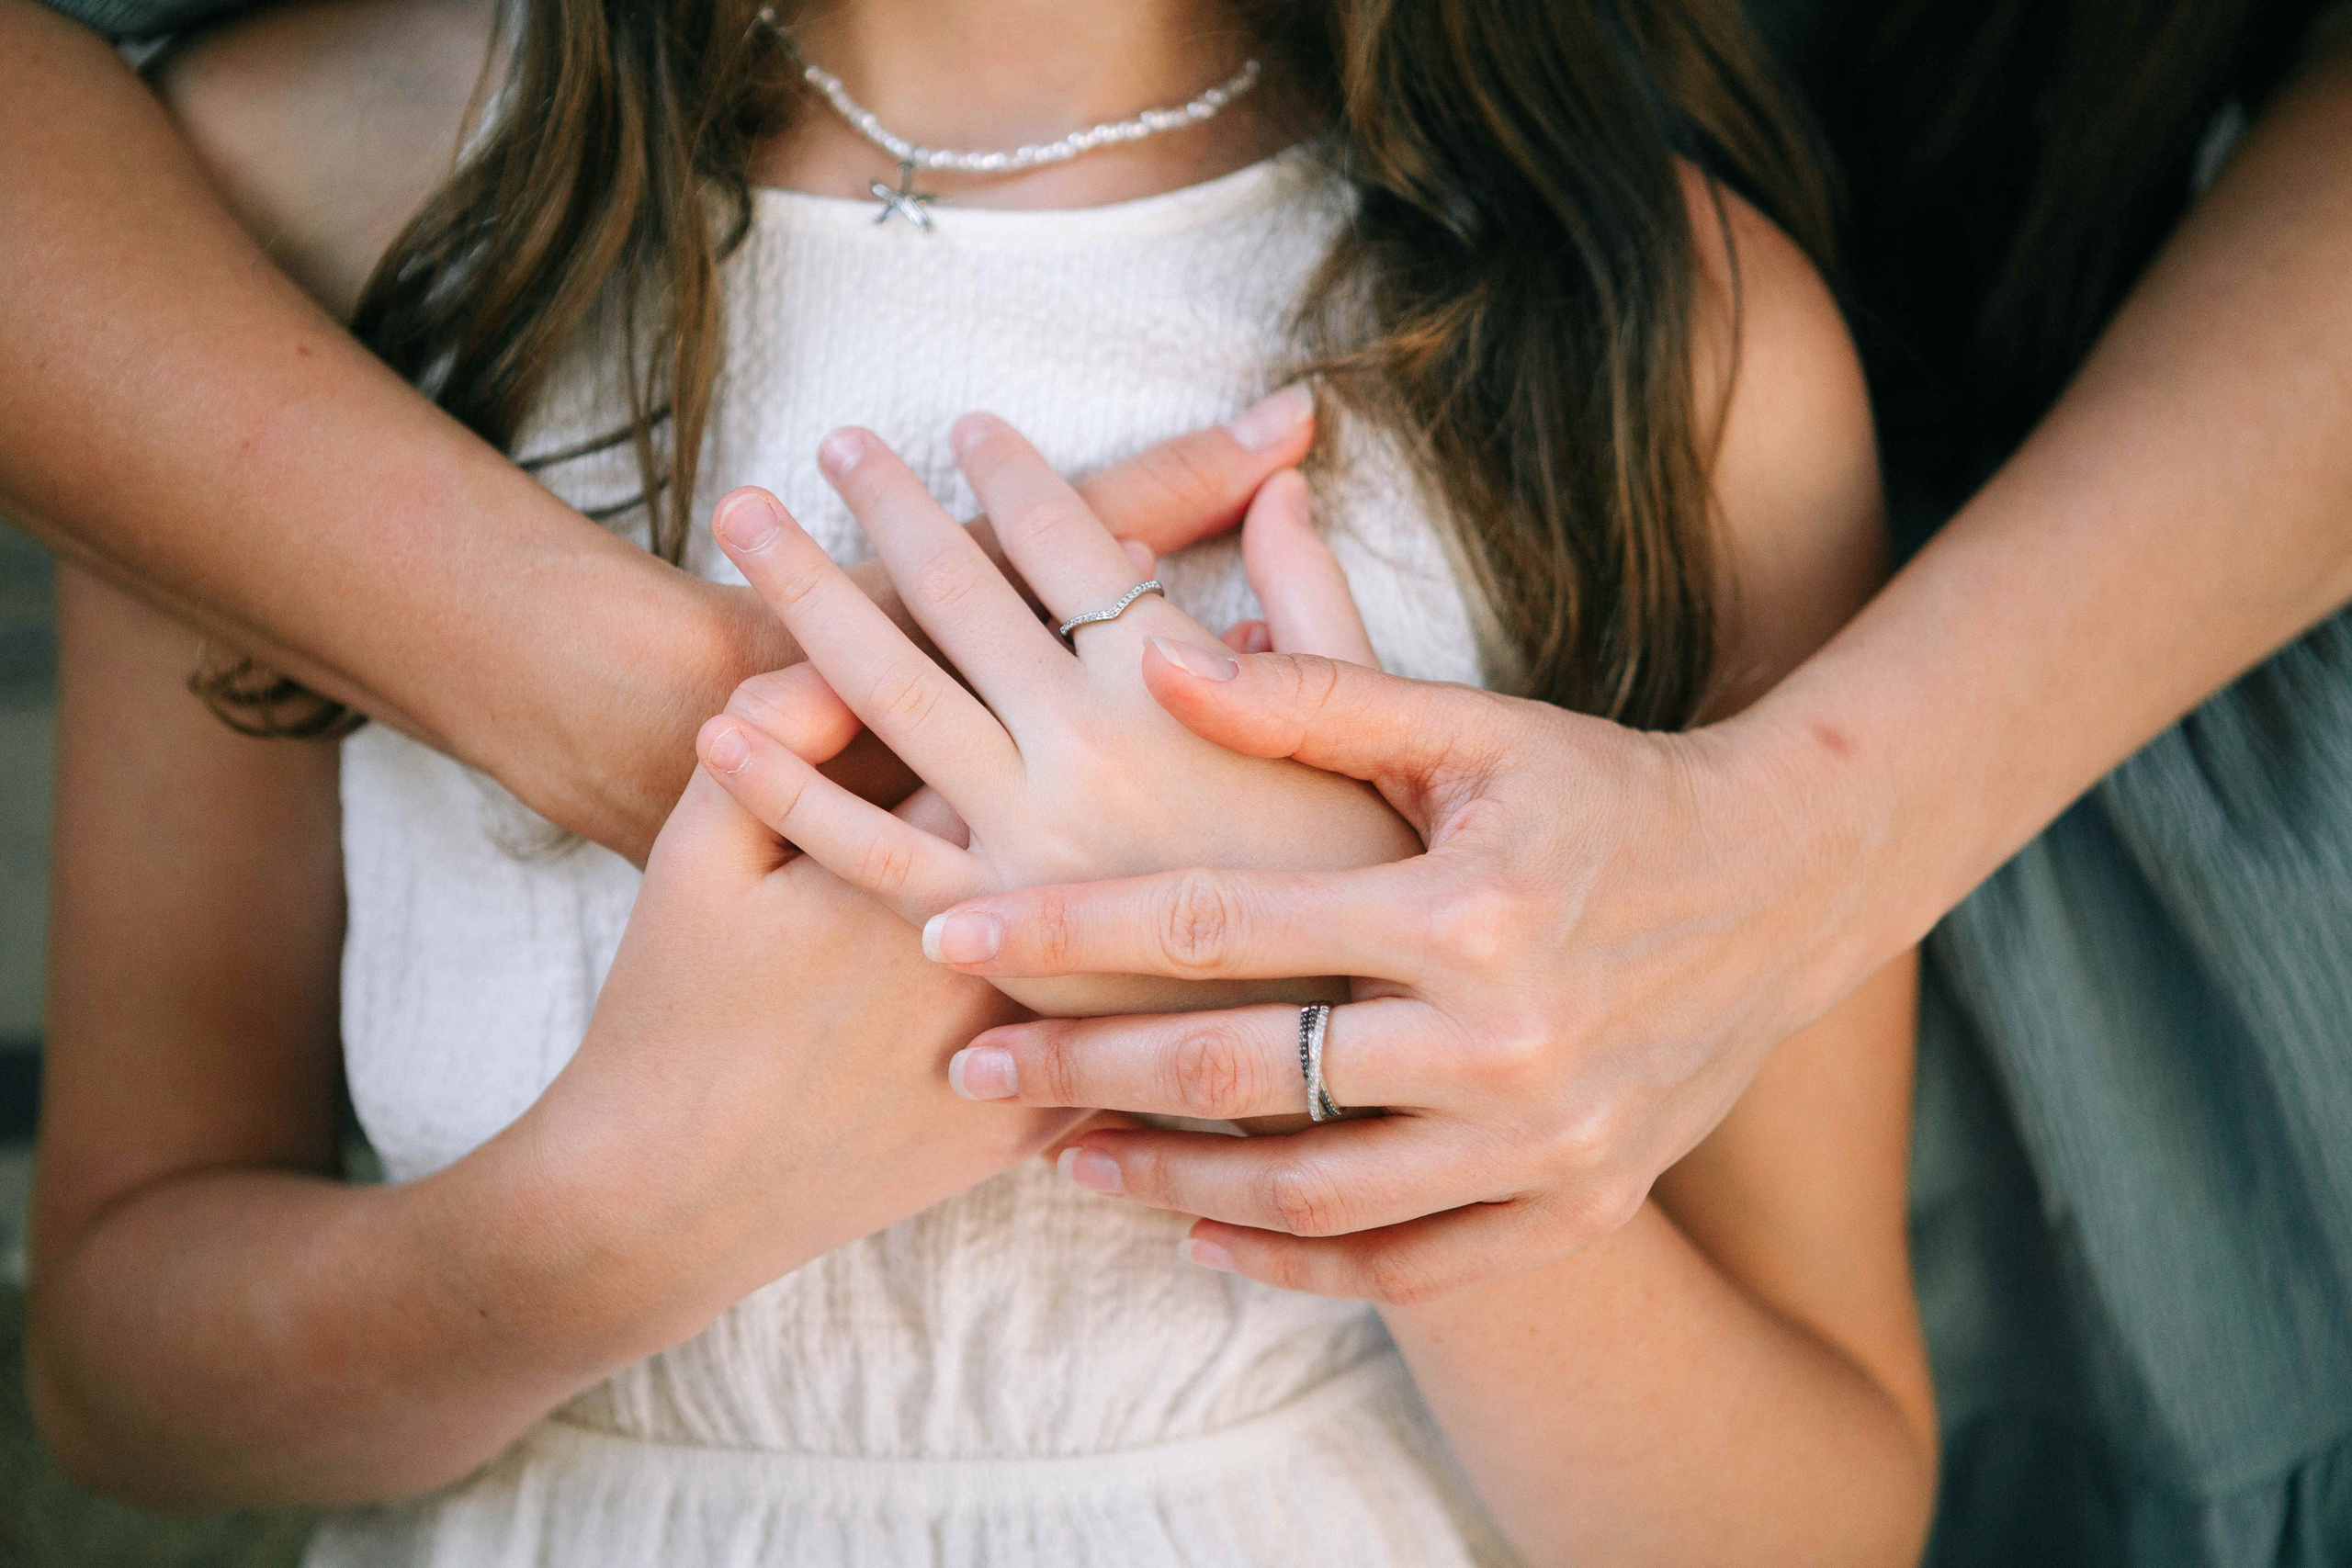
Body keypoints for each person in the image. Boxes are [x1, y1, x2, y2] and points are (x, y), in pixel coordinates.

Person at [27, 0, 1932, 1562]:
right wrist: (605, 1224)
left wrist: (1325, 1020)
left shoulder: (1666, 336)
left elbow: (1808, 1518)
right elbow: (119, 1382)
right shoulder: (274, 210)